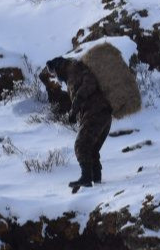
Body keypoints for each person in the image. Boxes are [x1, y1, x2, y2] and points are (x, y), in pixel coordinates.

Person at [44, 56, 112, 192]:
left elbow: (90, 83)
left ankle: (86, 178)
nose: (56, 77)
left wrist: (74, 108)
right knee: (91, 149)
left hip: (96, 112)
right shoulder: (72, 72)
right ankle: (96, 180)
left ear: (58, 67)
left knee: (81, 146)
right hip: (103, 114)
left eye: (54, 73)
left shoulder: (73, 68)